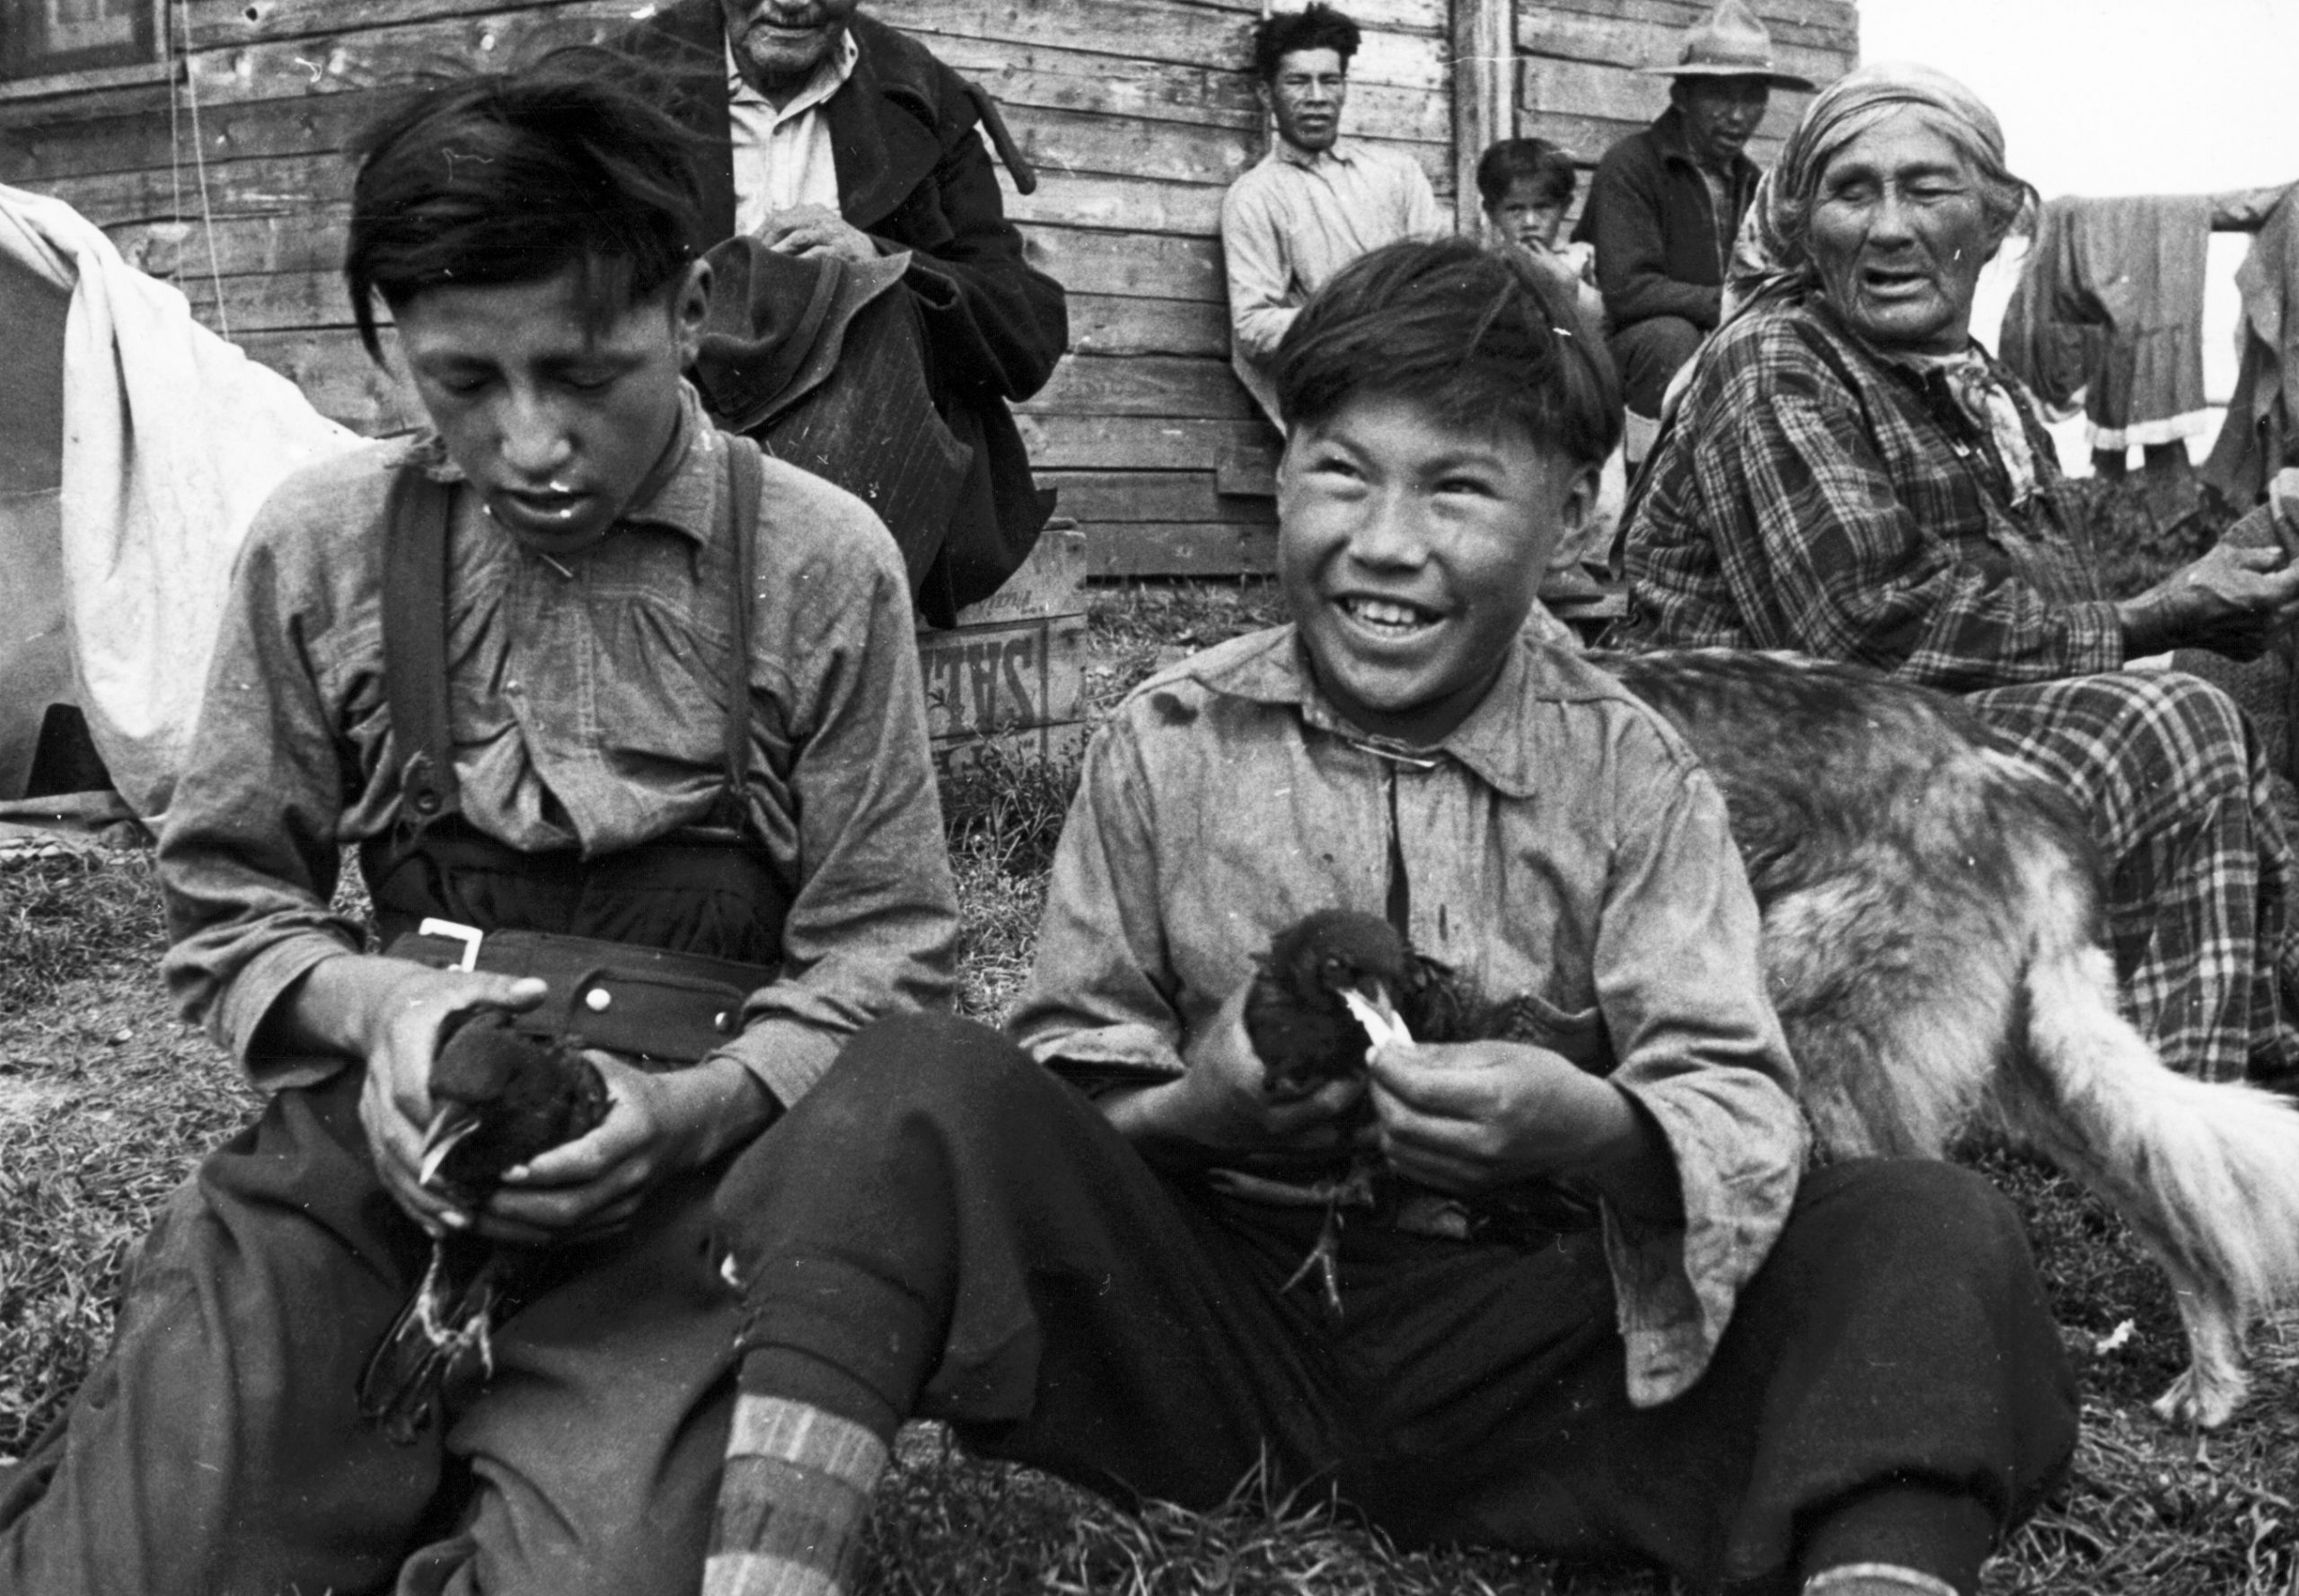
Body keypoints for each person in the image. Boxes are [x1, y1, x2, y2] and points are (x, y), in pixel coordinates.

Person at [693, 239, 2077, 1596]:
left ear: (1578, 513)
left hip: (1549, 1358)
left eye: (1461, 488)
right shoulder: (1167, 743)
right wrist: (1202, 1111)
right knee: (911, 1080)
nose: (1387, 544)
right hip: (1217, 1341)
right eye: (1340, 471)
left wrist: (1586, 1125)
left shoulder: (1633, 772)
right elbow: (1066, 1081)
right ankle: (764, 1572)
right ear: (1282, 472)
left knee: (1929, 1230)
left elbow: (1735, 1108)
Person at [0, 55, 958, 1596]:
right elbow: (235, 899)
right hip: (381, 1157)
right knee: (144, 1552)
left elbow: (890, 955)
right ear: (391, 343)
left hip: (681, 1197)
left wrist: (698, 1111)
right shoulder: (324, 546)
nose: (529, 443)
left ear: (691, 305)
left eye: (583, 373)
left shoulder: (823, 564)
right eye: (460, 382)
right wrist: (380, 1014)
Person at [1621, 61, 2299, 1089]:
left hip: (1890, 760)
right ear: (1806, 228)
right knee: (2173, 722)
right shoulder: (1774, 362)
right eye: (1852, 191)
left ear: (1995, 222)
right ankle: (2172, 1108)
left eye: (1926, 189)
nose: (1887, 228)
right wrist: (2160, 615)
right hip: (1735, 790)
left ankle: (2249, 1067)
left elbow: (2045, 616)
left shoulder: (1982, 394)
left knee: (2210, 704)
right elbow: (1861, 630)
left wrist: (2214, 586)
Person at [628, 0, 1070, 625]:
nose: (791, 2)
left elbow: (1027, 331)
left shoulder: (921, 96)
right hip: (671, 475)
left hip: (866, 499)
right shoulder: (626, 80)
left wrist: (886, 265)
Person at [1572, 0, 1810, 463]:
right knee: (1670, 337)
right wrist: (1731, 304)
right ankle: (1648, 484)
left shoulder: (1755, 184)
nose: (1739, 115)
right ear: (1681, 96)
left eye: (1752, 96)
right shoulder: (1633, 166)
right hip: (1614, 361)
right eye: (1721, 96)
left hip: (1716, 349)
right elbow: (1628, 291)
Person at [1220, 2, 1443, 428]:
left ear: (1344, 87)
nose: (1317, 98)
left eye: (1330, 80)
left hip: (1422, 389)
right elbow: (1252, 327)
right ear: (1267, 94)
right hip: (1336, 405)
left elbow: (1440, 279)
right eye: (1299, 82)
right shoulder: (1255, 197)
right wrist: (1355, 321)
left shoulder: (1397, 173)